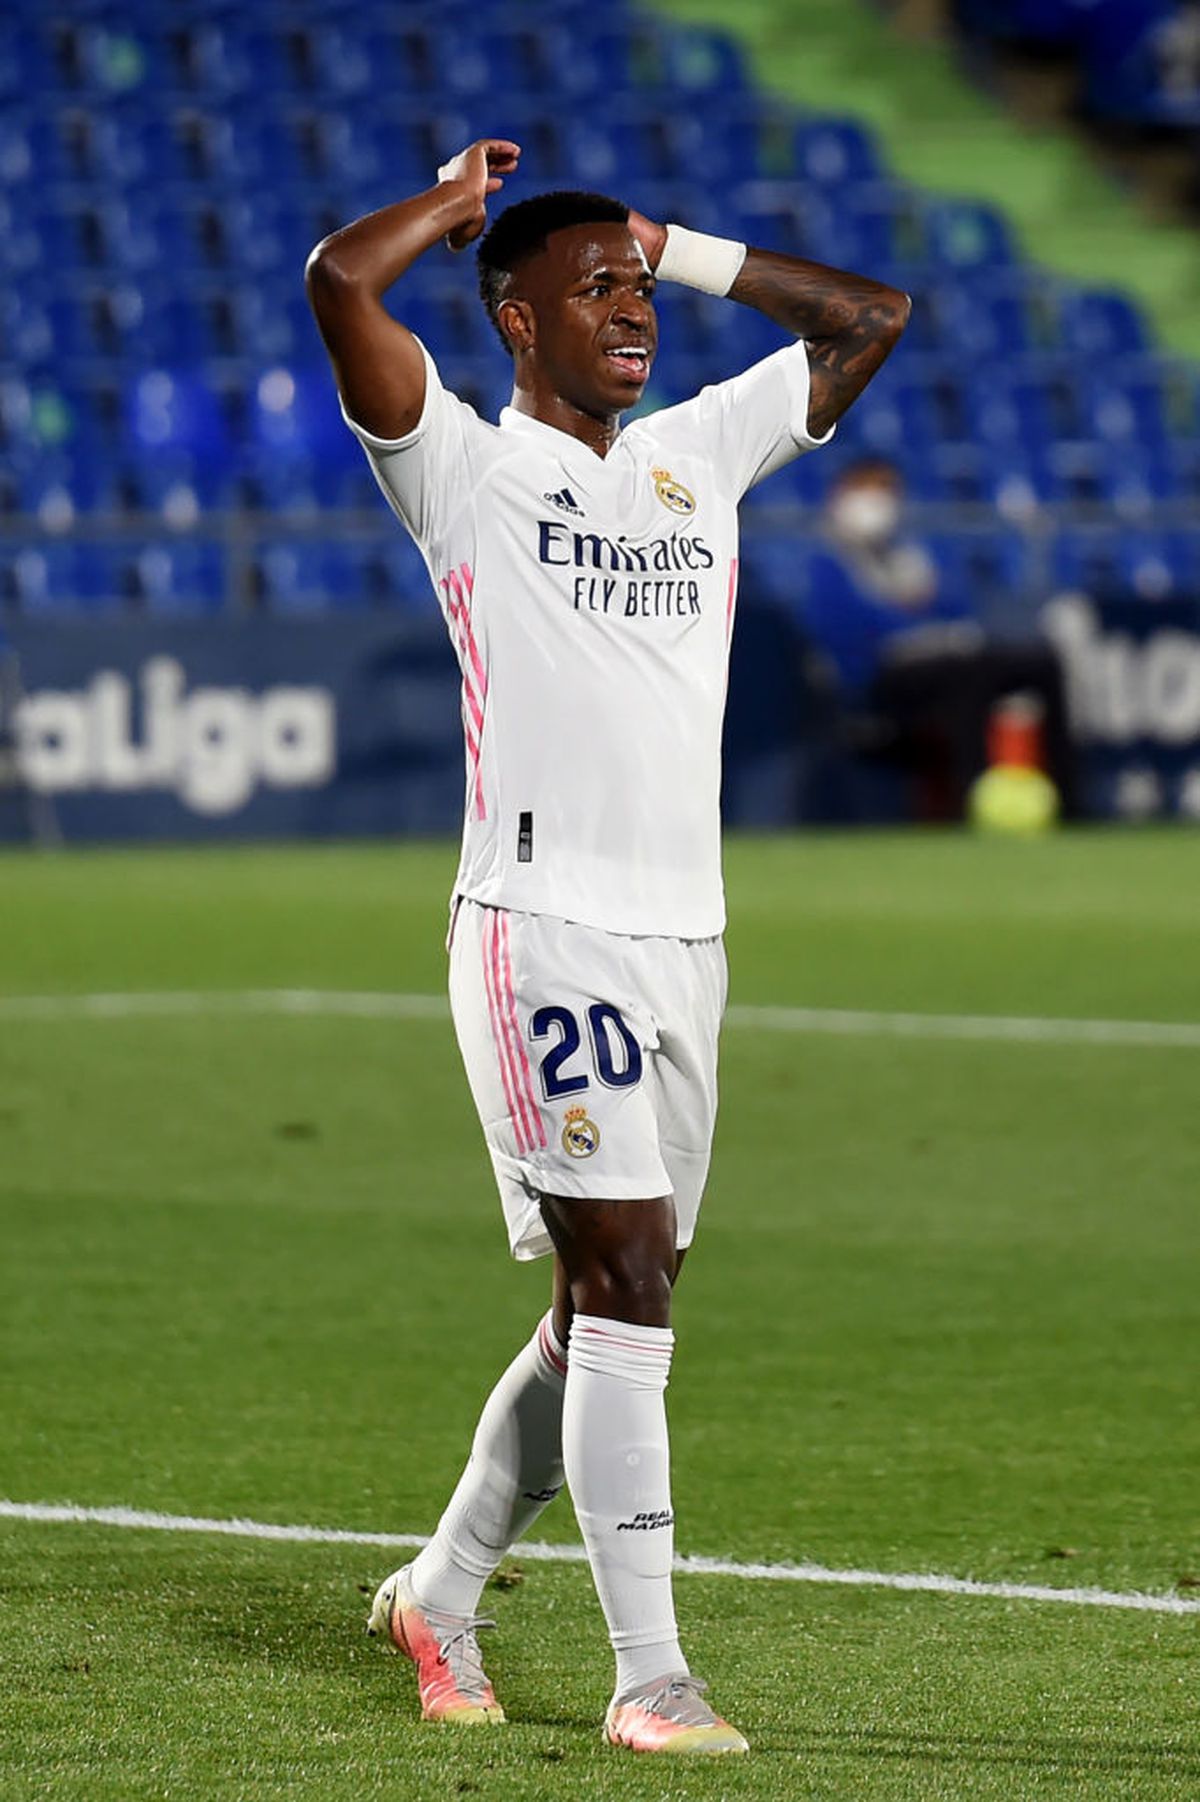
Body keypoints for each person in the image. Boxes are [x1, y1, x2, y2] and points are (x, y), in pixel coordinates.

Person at [306, 136, 908, 1756]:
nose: (633, 311)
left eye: (638, 289)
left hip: (685, 941)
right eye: (598, 289)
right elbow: (339, 283)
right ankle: (654, 1676)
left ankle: (443, 1587)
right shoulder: (464, 469)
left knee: (607, 1307)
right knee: (627, 1278)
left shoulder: (694, 458)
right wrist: (452, 206)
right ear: (516, 318)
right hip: (541, 930)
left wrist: (682, 240)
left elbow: (870, 316)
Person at [804, 458, 1075, 818]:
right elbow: (853, 627)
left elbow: (955, 606)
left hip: (940, 659)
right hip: (880, 678)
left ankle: (1072, 801)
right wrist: (910, 616)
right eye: (869, 488)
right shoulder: (827, 559)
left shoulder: (906, 554)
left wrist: (916, 615)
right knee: (967, 675)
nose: (879, 500)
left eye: (887, 489)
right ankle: (967, 802)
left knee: (1041, 663)